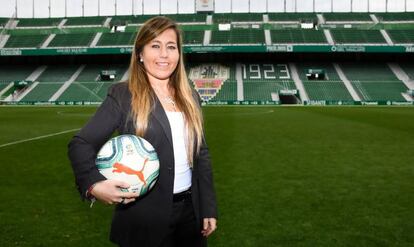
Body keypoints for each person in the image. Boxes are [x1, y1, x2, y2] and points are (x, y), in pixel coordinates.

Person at [68, 16, 217, 247]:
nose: (164, 55)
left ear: (179, 53)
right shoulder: (123, 95)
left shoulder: (191, 97)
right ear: (140, 53)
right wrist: (94, 185)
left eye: (171, 47)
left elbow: (201, 154)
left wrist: (207, 207)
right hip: (144, 218)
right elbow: (81, 143)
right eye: (155, 46)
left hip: (191, 214)